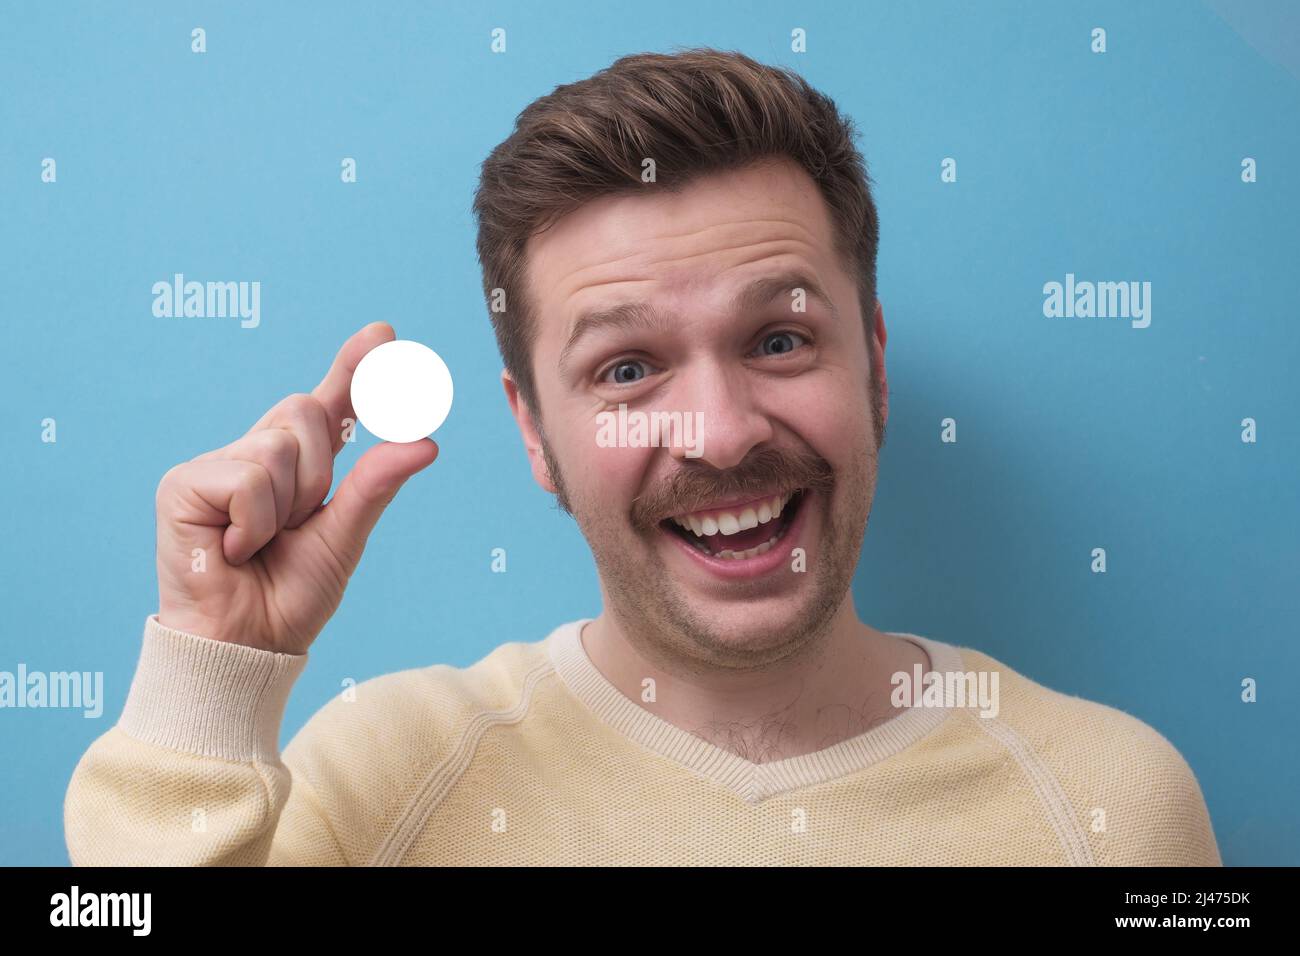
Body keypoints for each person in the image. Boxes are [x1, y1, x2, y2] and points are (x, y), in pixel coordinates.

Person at [65, 48, 1220, 866]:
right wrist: (204, 685)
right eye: (626, 369)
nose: (718, 433)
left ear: (871, 365)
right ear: (533, 431)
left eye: (778, 339)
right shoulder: (379, 778)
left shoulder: (1111, 801)